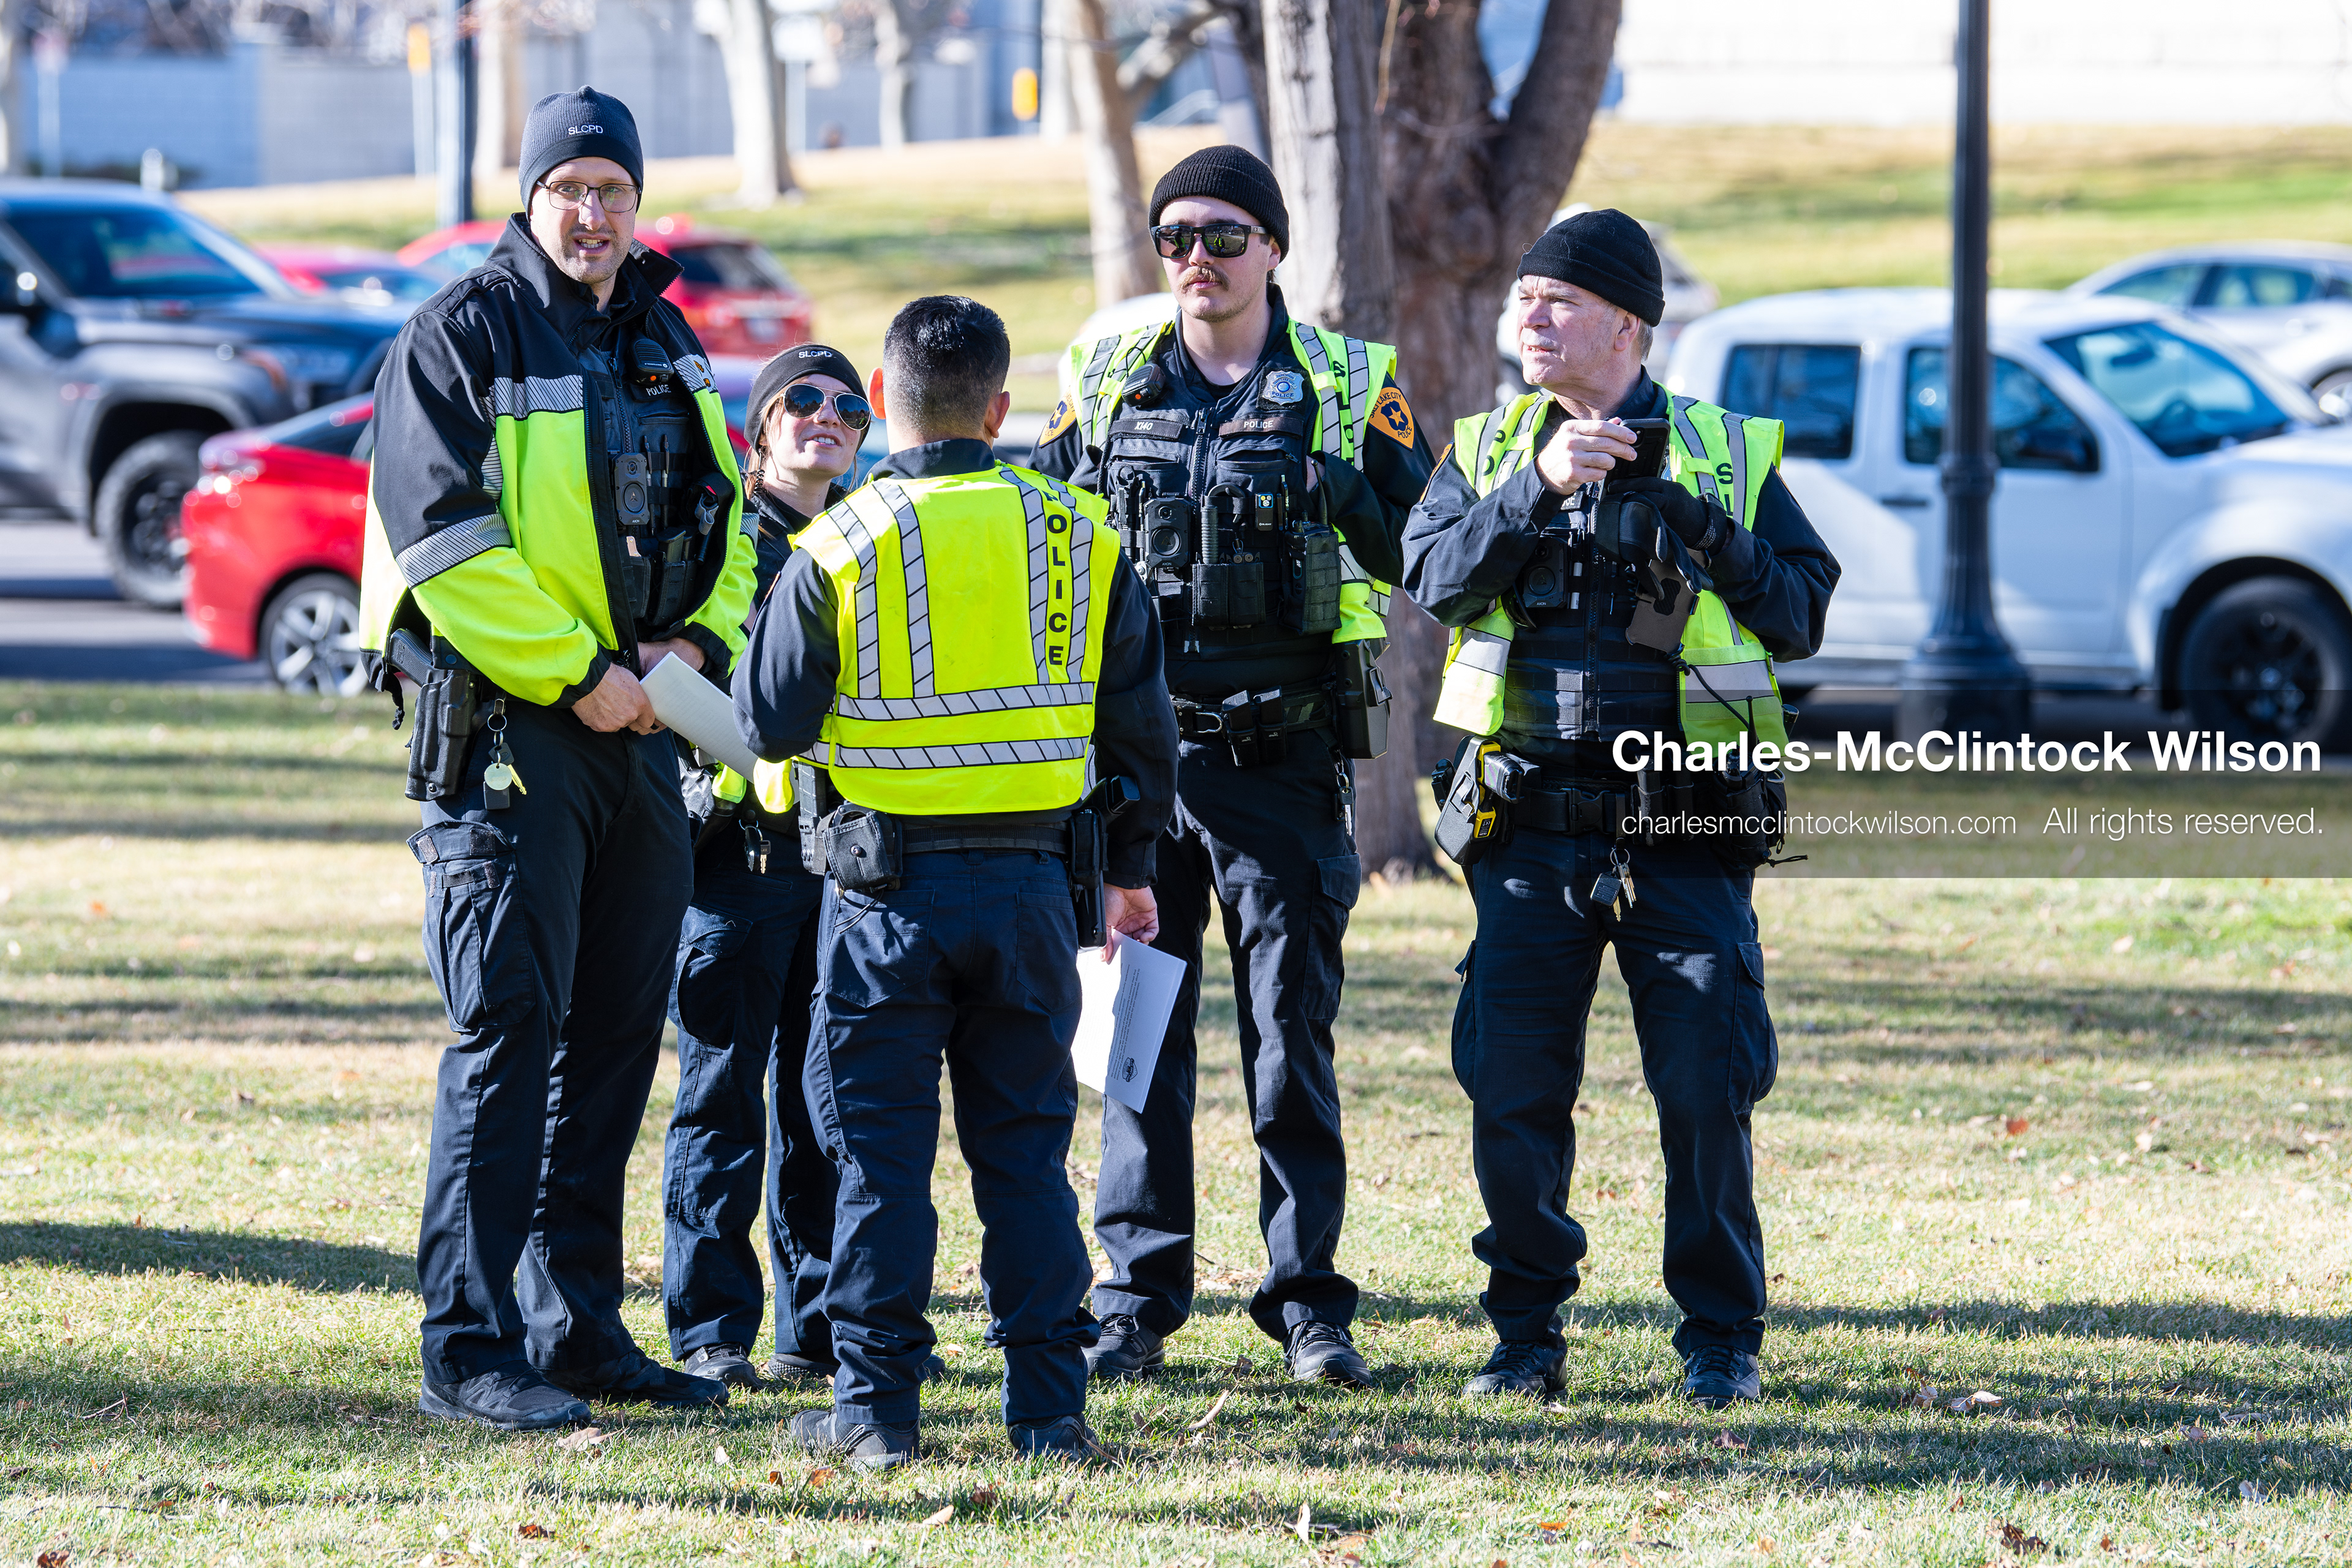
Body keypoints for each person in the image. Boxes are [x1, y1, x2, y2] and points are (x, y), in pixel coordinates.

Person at [357, 86, 753, 1431]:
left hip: (644, 731)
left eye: (615, 191)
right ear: (531, 198)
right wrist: (579, 676)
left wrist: (694, 648)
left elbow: (733, 517)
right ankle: (468, 1346)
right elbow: (445, 541)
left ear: (640, 205)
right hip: (518, 733)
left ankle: (575, 1328)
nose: (594, 214)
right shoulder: (457, 335)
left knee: (615, 1040)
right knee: (508, 1035)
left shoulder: (666, 337)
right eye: (571, 188)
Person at [1400, 209, 1841, 1409]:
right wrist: (1535, 491)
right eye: (1522, 300)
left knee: (1707, 1082)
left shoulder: (1722, 450)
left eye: (1556, 301)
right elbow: (1433, 578)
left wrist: (1699, 521)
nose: (1528, 319)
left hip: (1686, 823)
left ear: (1627, 325)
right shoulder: (1491, 446)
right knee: (1515, 1087)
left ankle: (1720, 1338)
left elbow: (1801, 610)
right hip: (1530, 822)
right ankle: (1525, 1337)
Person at [735, 295, 1178, 1468]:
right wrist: (1127, 876)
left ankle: (875, 1418)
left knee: (878, 1165)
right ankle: (1049, 1415)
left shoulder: (839, 542)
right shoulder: (1083, 538)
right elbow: (1143, 736)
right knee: (1026, 1158)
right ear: (999, 407)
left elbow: (769, 724)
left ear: (881, 403)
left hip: (882, 904)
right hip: (1037, 897)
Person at [1029, 145, 1436, 1390]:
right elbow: (1043, 540)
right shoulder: (1103, 380)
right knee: (1139, 1044)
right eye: (1174, 239)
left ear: (1273, 247)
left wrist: (1332, 487)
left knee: (1288, 1039)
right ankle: (1134, 1299)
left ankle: (1308, 1302)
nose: (1196, 261)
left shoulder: (1349, 385)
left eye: (1220, 235)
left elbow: (1429, 546)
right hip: (1143, 778)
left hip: (1284, 765)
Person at [661, 344, 866, 1393]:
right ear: (762, 426)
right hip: (736, 867)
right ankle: (709, 1329)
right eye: (802, 402)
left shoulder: (869, 538)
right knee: (721, 1100)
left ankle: (814, 1328)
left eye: (848, 406)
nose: (826, 418)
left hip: (839, 864)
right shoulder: (719, 541)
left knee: (821, 1105)